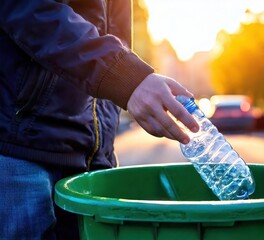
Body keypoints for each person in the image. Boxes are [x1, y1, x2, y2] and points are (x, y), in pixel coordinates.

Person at [0, 1, 199, 239]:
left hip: (89, 160)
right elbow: (31, 9)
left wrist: (102, 145)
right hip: (20, 151)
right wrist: (126, 77)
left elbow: (113, 36)